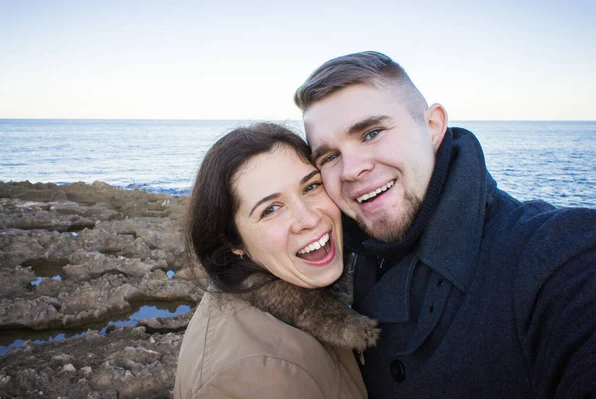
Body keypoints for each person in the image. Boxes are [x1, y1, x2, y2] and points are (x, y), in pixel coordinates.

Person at [294, 51, 596, 398]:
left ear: (433, 126)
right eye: (329, 156)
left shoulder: (555, 255)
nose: (350, 170)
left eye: (372, 133)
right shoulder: (333, 258)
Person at [174, 123, 376, 399]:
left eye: (311, 186)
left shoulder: (253, 284)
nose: (309, 219)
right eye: (270, 209)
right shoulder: (256, 378)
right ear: (233, 242)